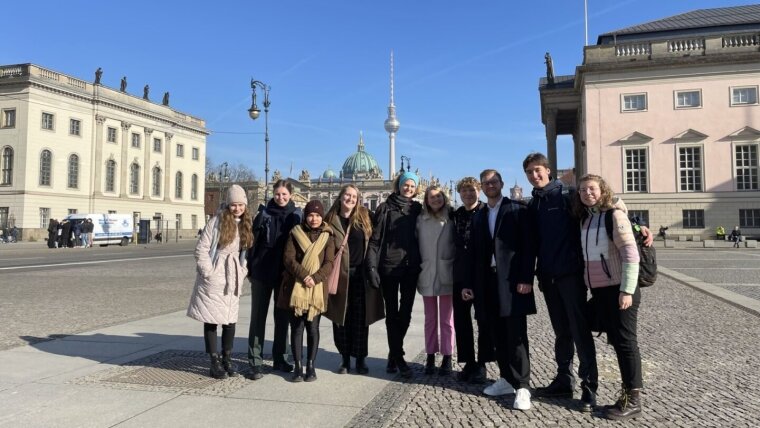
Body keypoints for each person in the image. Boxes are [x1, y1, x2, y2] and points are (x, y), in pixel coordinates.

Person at [521, 152, 600, 412]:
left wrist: (637, 228)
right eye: (530, 172)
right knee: (561, 332)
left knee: (579, 331)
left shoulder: (567, 197)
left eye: (538, 170)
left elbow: (600, 212)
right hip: (548, 277)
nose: (534, 175)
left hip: (570, 275)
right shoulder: (534, 204)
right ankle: (564, 379)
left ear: (548, 170)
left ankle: (589, 387)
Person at [573, 174, 643, 420]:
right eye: (582, 190)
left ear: (602, 190)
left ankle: (632, 399)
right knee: (597, 329)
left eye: (591, 189)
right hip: (600, 291)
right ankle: (625, 396)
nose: (587, 193)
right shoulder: (587, 219)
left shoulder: (614, 215)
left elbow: (630, 254)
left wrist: (627, 290)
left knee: (625, 343)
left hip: (618, 289)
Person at [468, 168, 535, 411]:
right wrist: (470, 284)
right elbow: (474, 254)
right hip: (487, 283)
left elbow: (528, 247)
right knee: (496, 333)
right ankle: (507, 378)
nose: (490, 185)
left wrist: (526, 278)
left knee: (516, 335)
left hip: (512, 281)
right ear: (481, 188)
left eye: (494, 181)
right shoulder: (479, 215)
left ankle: (523, 386)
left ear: (501, 184)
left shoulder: (517, 210)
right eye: (486, 183)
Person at [187, 185, 253, 379]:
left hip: (233, 276)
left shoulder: (246, 223)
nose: (237, 208)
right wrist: (208, 272)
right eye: (234, 205)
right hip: (215, 275)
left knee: (230, 320)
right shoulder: (216, 222)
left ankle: (227, 358)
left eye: (241, 204)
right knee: (211, 319)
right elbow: (201, 249)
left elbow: (246, 252)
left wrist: (243, 270)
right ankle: (214, 361)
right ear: (228, 204)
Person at [366, 171, 423, 378]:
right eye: (405, 185)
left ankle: (393, 351)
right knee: (392, 314)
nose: (408, 188)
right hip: (389, 267)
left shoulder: (418, 209)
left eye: (412, 186)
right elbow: (374, 241)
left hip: (411, 268)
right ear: (398, 186)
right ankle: (399, 357)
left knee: (405, 313)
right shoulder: (384, 208)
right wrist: (371, 268)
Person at [324, 184, 384, 375]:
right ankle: (344, 358)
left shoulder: (365, 217)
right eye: (347, 195)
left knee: (360, 319)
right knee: (340, 318)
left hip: (361, 276)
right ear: (340, 197)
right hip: (338, 275)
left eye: (354, 196)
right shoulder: (330, 219)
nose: (350, 199)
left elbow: (378, 238)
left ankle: (360, 358)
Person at [246, 179, 302, 379]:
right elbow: (252, 243)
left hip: (285, 274)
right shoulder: (263, 214)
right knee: (258, 317)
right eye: (277, 194)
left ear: (290, 196)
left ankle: (281, 358)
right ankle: (255, 360)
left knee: (282, 318)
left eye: (284, 195)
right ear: (273, 194)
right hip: (262, 272)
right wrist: (250, 267)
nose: (280, 198)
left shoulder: (296, 216)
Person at [278, 200, 336, 382]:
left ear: (322, 216)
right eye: (311, 215)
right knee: (296, 328)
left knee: (313, 328)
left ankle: (311, 366)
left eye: (318, 215)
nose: (314, 218)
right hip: (297, 286)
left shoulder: (328, 236)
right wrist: (305, 276)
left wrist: (316, 277)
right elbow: (288, 259)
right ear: (306, 216)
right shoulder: (295, 233)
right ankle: (297, 366)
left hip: (317, 288)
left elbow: (329, 263)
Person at [452, 177, 492, 383]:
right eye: (464, 191)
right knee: (461, 320)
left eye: (472, 190)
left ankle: (482, 363)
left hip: (482, 274)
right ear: (459, 194)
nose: (468, 194)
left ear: (479, 191)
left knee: (483, 320)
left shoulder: (487, 212)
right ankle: (468, 361)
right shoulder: (456, 215)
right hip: (460, 274)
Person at [415, 184, 456, 375]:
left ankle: (447, 356)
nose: (436, 200)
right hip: (428, 272)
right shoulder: (420, 220)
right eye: (432, 197)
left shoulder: (452, 217)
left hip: (447, 272)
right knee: (430, 319)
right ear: (426, 200)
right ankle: (430, 355)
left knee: (447, 320)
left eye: (439, 197)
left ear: (444, 198)